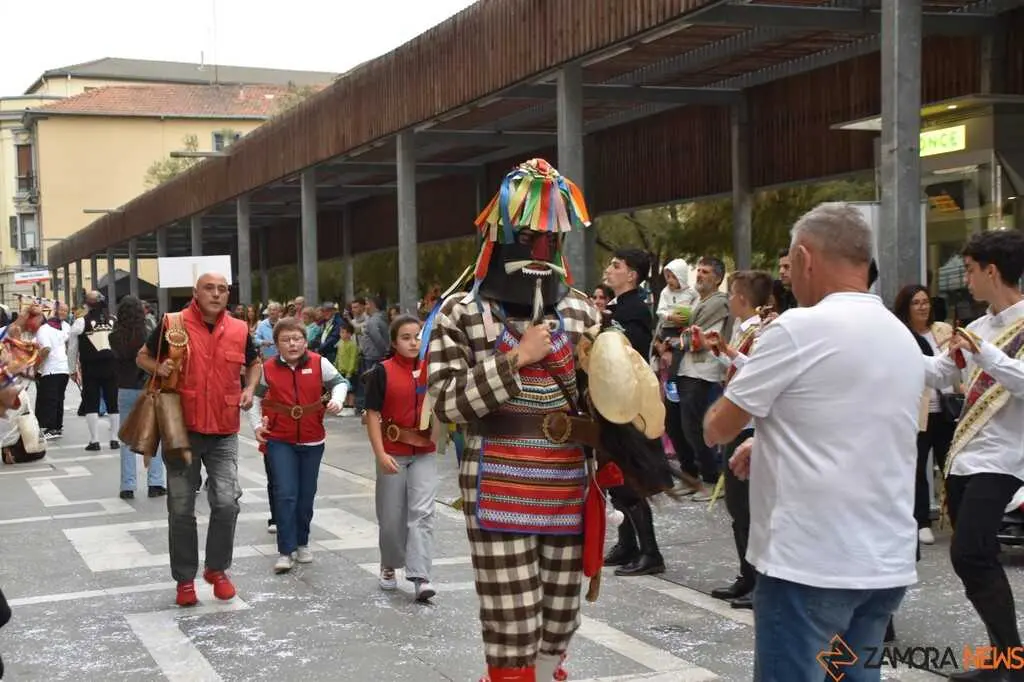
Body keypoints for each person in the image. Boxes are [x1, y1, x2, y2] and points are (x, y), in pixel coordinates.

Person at [703, 203, 923, 681]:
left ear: (805, 257)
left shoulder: (797, 328)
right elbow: (858, 422)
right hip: (884, 562)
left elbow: (718, 425)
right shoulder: (900, 335)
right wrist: (771, 439)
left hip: (810, 562)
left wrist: (745, 422)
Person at [426, 159, 604, 682]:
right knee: (512, 619)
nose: (541, 250)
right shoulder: (461, 313)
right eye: (528, 235)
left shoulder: (580, 312)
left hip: (569, 481)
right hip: (497, 479)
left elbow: (607, 403)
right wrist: (516, 360)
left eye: (551, 237)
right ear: (500, 236)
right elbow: (445, 404)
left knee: (560, 615)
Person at [922, 229, 1024, 681]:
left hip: (1005, 459)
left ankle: (1012, 662)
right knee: (971, 557)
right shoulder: (979, 328)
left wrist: (986, 355)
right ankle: (1003, 659)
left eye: (968, 269)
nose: (965, 280)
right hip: (966, 457)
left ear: (992, 270)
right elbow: (940, 373)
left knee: (971, 553)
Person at [136, 272, 260, 607]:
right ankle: (185, 580)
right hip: (181, 429)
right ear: (195, 292)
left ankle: (217, 569)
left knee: (226, 501)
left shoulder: (239, 328)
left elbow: (254, 363)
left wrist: (249, 388)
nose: (216, 294)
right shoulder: (172, 323)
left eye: (222, 289)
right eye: (209, 288)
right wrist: (157, 369)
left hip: (223, 428)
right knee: (180, 507)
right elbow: (142, 356)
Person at [250, 317, 347, 574]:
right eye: (286, 340)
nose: (292, 344)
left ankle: (302, 542)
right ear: (277, 344)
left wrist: (337, 400)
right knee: (285, 493)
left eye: (297, 339)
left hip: (313, 439)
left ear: (305, 341)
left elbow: (340, 382)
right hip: (280, 440)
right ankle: (285, 550)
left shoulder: (318, 362)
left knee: (306, 495)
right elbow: (255, 400)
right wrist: (257, 427)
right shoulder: (267, 368)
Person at [703, 270, 774, 611]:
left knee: (747, 507)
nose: (728, 300)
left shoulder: (763, 331)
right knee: (737, 506)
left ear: (743, 298)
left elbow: (759, 373)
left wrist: (730, 352)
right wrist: (725, 352)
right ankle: (747, 575)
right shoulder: (746, 330)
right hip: (741, 423)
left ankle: (758, 581)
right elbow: (741, 369)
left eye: (731, 294)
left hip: (749, 427)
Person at [600, 249, 667, 577]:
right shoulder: (616, 307)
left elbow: (630, 354)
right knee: (614, 477)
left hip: (628, 404)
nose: (609, 270)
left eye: (616, 266)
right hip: (609, 403)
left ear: (632, 275)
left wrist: (604, 326)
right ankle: (626, 543)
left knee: (630, 480)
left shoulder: (636, 310)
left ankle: (650, 551)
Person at [364, 315, 438, 601]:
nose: (413, 342)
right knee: (392, 516)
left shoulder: (433, 368)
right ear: (394, 342)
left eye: (418, 336)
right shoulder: (382, 371)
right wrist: (380, 452)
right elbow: (371, 414)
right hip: (392, 451)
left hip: (424, 452)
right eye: (406, 337)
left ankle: (421, 576)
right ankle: (389, 563)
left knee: (422, 514)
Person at [893, 284, 957, 546]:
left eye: (925, 301)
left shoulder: (943, 330)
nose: (922, 307)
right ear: (906, 308)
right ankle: (921, 521)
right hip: (918, 412)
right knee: (916, 469)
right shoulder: (901, 336)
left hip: (945, 410)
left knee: (951, 467)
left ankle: (959, 520)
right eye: (916, 303)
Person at [110, 295, 166, 499]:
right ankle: (156, 482)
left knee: (126, 438)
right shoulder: (147, 333)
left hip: (124, 388)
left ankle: (128, 485)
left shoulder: (114, 336)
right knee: (153, 436)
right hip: (147, 387)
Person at [68, 291, 119, 451]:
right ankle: (114, 439)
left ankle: (94, 440)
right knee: (113, 402)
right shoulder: (113, 320)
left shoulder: (80, 322)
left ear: (87, 304)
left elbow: (72, 349)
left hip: (90, 367)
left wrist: (71, 369)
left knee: (91, 402)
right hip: (112, 366)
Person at [34, 302, 71, 440]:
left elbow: (46, 350)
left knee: (51, 399)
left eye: (65, 311)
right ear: (54, 310)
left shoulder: (44, 329)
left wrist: (35, 368)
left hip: (51, 369)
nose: (63, 313)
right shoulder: (65, 327)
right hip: (63, 369)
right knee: (58, 398)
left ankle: (52, 428)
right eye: (61, 310)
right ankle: (56, 427)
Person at [334, 321, 359, 416]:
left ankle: (351, 407)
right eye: (341, 332)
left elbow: (353, 359)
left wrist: (350, 371)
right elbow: (338, 356)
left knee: (351, 390)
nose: (342, 334)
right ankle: (344, 407)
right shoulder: (340, 344)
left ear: (350, 334)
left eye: (344, 332)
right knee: (343, 389)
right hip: (341, 370)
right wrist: (335, 366)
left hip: (350, 372)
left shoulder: (352, 345)